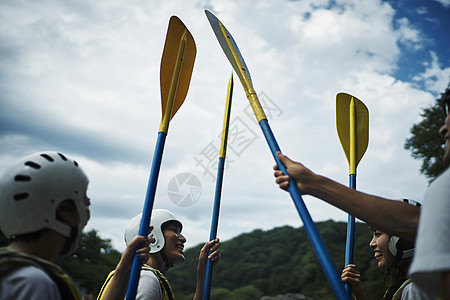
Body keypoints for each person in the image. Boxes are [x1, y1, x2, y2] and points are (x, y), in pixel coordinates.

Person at [273, 88, 450, 299]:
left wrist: (314, 183)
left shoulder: (416, 288)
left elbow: (420, 223)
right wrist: (359, 295)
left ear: (401, 240)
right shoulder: (411, 288)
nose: (442, 129)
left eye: (378, 233)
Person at [0, 151, 152, 300]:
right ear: (63, 210)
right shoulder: (33, 283)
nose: (86, 217)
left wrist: (124, 272)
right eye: (85, 204)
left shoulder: (11, 271)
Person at [97, 209, 221, 300]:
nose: (183, 239)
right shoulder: (146, 279)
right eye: (174, 230)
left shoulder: (142, 276)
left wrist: (203, 270)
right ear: (153, 237)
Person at [341, 200, 430, 300]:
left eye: (378, 234)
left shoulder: (415, 290)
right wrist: (358, 293)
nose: (371, 244)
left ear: (401, 239)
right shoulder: (413, 287)